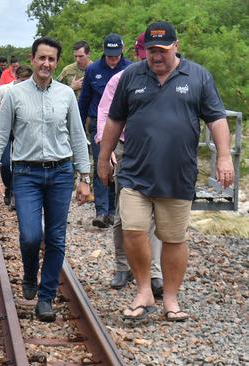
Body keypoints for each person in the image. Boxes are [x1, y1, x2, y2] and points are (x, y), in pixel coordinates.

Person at [98, 21, 233, 322]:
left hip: (177, 175)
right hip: (135, 172)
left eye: (162, 49)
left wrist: (224, 156)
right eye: (150, 50)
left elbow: (217, 119)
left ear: (176, 46)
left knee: (173, 239)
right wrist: (103, 157)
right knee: (132, 230)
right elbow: (115, 119)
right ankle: (144, 290)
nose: (156, 56)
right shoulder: (132, 75)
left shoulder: (197, 76)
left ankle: (170, 299)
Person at [0, 37, 91, 322]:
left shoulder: (66, 95)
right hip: (26, 174)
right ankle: (30, 272)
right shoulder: (14, 94)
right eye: (41, 58)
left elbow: (78, 136)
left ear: (56, 63)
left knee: (56, 237)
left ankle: (46, 296)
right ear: (32, 59)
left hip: (60, 173)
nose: (46, 64)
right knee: (30, 235)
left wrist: (85, 176)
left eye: (51, 59)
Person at [94, 32, 163, 294]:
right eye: (146, 51)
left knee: (156, 213)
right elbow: (105, 114)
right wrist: (106, 148)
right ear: (136, 53)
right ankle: (123, 266)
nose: (151, 57)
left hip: (159, 151)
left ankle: (154, 273)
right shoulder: (120, 79)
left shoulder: (171, 78)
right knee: (123, 213)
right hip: (125, 148)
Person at [79, 33, 132, 229]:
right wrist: (78, 125)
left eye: (116, 55)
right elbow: (84, 99)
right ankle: (102, 211)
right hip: (98, 124)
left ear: (122, 50)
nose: (112, 58)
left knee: (119, 168)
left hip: (124, 128)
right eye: (109, 55)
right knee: (102, 164)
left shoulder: (131, 69)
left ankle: (114, 211)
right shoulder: (93, 70)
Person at [0, 65, 33, 206]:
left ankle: (14, 192)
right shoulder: (4, 90)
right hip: (5, 130)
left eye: (28, 80)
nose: (25, 84)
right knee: (6, 163)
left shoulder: (32, 91)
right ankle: (8, 186)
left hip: (21, 131)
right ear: (16, 78)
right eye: (22, 80)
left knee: (19, 162)